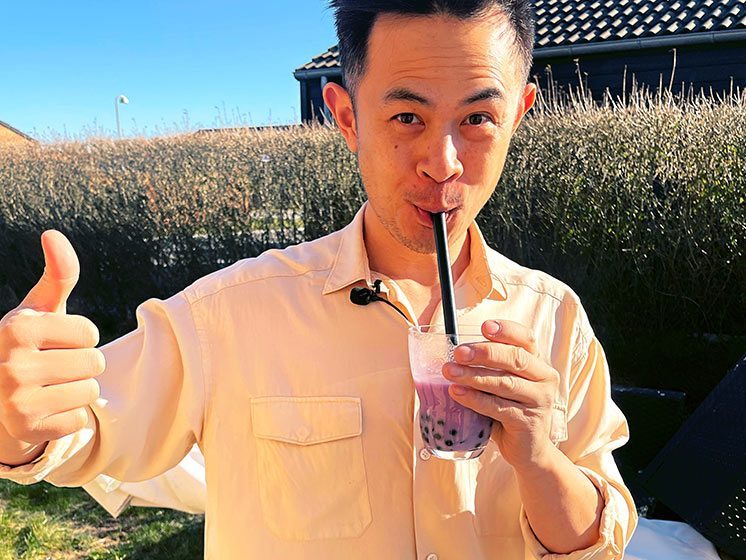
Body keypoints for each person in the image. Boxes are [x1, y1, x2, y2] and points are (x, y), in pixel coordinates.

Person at [0, 0, 638, 558]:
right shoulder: (232, 314)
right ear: (347, 116)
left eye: (477, 119)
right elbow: (82, 428)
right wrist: (15, 415)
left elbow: (598, 541)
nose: (443, 164)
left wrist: (539, 456)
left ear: (518, 115)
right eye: (407, 117)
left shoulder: (555, 320)